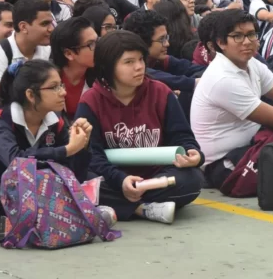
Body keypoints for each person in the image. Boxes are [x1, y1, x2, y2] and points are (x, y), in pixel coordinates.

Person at [76, 31, 203, 224]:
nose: (138, 67)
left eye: (141, 60)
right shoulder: (91, 101)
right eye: (128, 62)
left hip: (157, 175)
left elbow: (182, 137)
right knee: (80, 178)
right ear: (108, 66)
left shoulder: (160, 92)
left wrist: (193, 154)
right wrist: (120, 179)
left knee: (192, 180)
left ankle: (122, 205)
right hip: (112, 177)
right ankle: (142, 208)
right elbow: (92, 155)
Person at [0, 60, 95, 236]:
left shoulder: (56, 121)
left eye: (61, 85)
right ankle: (2, 223)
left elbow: (74, 174)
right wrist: (67, 150)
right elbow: (16, 161)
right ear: (31, 95)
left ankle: (26, 223)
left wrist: (82, 146)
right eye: (54, 87)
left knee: (90, 183)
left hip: (37, 194)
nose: (63, 92)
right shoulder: (0, 121)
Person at [190, 11, 273, 190]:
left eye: (251, 35)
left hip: (253, 145)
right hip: (225, 165)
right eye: (237, 36)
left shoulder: (252, 64)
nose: (247, 42)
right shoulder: (222, 78)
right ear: (221, 43)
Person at [0, 0, 53, 95]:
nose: (51, 29)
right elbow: (1, 97)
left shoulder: (47, 50)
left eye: (51, 23)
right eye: (45, 24)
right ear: (23, 27)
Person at [50, 17, 97, 120]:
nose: (98, 47)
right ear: (69, 53)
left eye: (98, 41)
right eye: (91, 44)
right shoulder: (46, 82)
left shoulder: (101, 78)